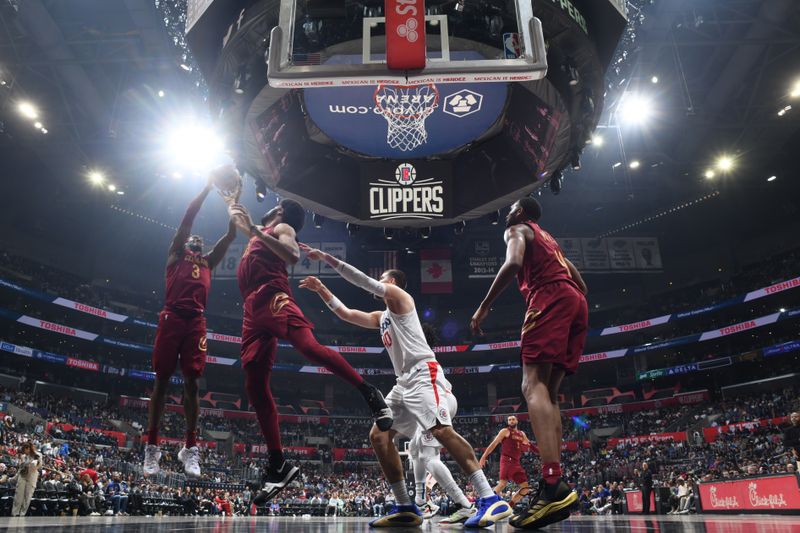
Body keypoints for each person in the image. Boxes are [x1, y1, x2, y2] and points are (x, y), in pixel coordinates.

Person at [298, 250, 511, 529]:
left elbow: (366, 283)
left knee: (441, 431)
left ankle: (488, 497)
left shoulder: (401, 299)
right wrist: (322, 290)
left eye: (384, 278)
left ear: (393, 283)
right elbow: (347, 314)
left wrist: (328, 259)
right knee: (379, 435)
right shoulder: (381, 316)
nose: (379, 281)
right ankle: (405, 506)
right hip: (404, 382)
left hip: (424, 373)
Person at [226, 201, 392, 504]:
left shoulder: (281, 227)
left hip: (271, 294)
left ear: (279, 210)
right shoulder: (259, 233)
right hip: (251, 310)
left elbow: (291, 255)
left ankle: (369, 392)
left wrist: (251, 229)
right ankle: (278, 464)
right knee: (254, 384)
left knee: (308, 347)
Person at [471, 197, 587, 529]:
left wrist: (484, 307)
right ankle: (556, 482)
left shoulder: (516, 229)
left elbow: (512, 264)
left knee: (531, 385)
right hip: (576, 301)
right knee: (549, 394)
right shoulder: (551, 241)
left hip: (549, 297)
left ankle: (551, 485)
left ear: (520, 213)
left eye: (511, 208)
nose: (507, 212)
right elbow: (583, 285)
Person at [144, 174, 237, 478]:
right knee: (161, 380)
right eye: (192, 237)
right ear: (185, 242)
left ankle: (190, 447)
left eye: (200, 239)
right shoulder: (175, 254)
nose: (196, 238)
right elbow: (189, 215)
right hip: (172, 316)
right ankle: (153, 446)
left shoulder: (208, 262)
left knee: (193, 383)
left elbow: (231, 235)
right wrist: (208, 187)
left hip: (195, 321)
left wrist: (234, 199)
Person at [479, 415, 532, 507]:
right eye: (509, 420)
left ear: (517, 421)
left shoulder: (522, 434)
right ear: (508, 422)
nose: (511, 421)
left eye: (513, 419)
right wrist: (484, 456)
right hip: (507, 460)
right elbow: (494, 444)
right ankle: (484, 504)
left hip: (516, 462)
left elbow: (529, 445)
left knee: (525, 488)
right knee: (503, 483)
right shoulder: (505, 431)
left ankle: (509, 506)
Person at [11, 441, 42, 517]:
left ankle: (22, 514)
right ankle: (15, 513)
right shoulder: (23, 456)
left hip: (32, 477)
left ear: (28, 448)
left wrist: (31, 464)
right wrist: (14, 478)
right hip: (22, 476)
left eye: (25, 450)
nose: (24, 452)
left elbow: (36, 466)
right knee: (18, 495)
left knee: (27, 496)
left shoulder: (37, 455)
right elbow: (20, 469)